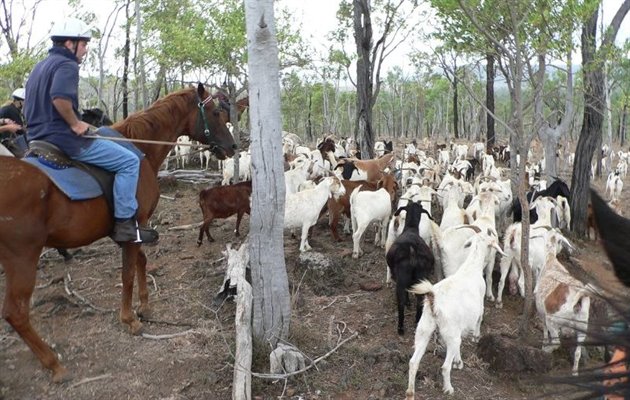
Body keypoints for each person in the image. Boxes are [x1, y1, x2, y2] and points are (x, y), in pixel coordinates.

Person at [24, 17, 157, 244]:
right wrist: (75, 124)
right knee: (129, 161)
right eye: (84, 44)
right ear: (69, 43)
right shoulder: (67, 65)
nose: (85, 50)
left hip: (36, 140)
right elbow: (59, 99)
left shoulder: (39, 67)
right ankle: (125, 225)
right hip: (65, 140)